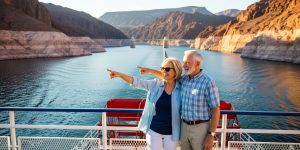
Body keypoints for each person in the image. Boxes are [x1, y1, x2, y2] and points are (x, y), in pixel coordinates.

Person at [138, 50, 220, 150]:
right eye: (184, 62)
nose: (184, 65)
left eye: (187, 62)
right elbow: (169, 76)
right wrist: (150, 71)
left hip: (200, 128)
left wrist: (211, 135)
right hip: (184, 127)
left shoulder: (208, 82)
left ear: (198, 63)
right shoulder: (184, 78)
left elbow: (215, 109)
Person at [107, 57, 182, 150]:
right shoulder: (155, 84)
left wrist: (150, 70)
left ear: (176, 70)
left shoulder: (182, 88)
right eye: (162, 68)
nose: (163, 71)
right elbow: (136, 82)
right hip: (154, 130)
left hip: (172, 133)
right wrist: (120, 75)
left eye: (167, 69)